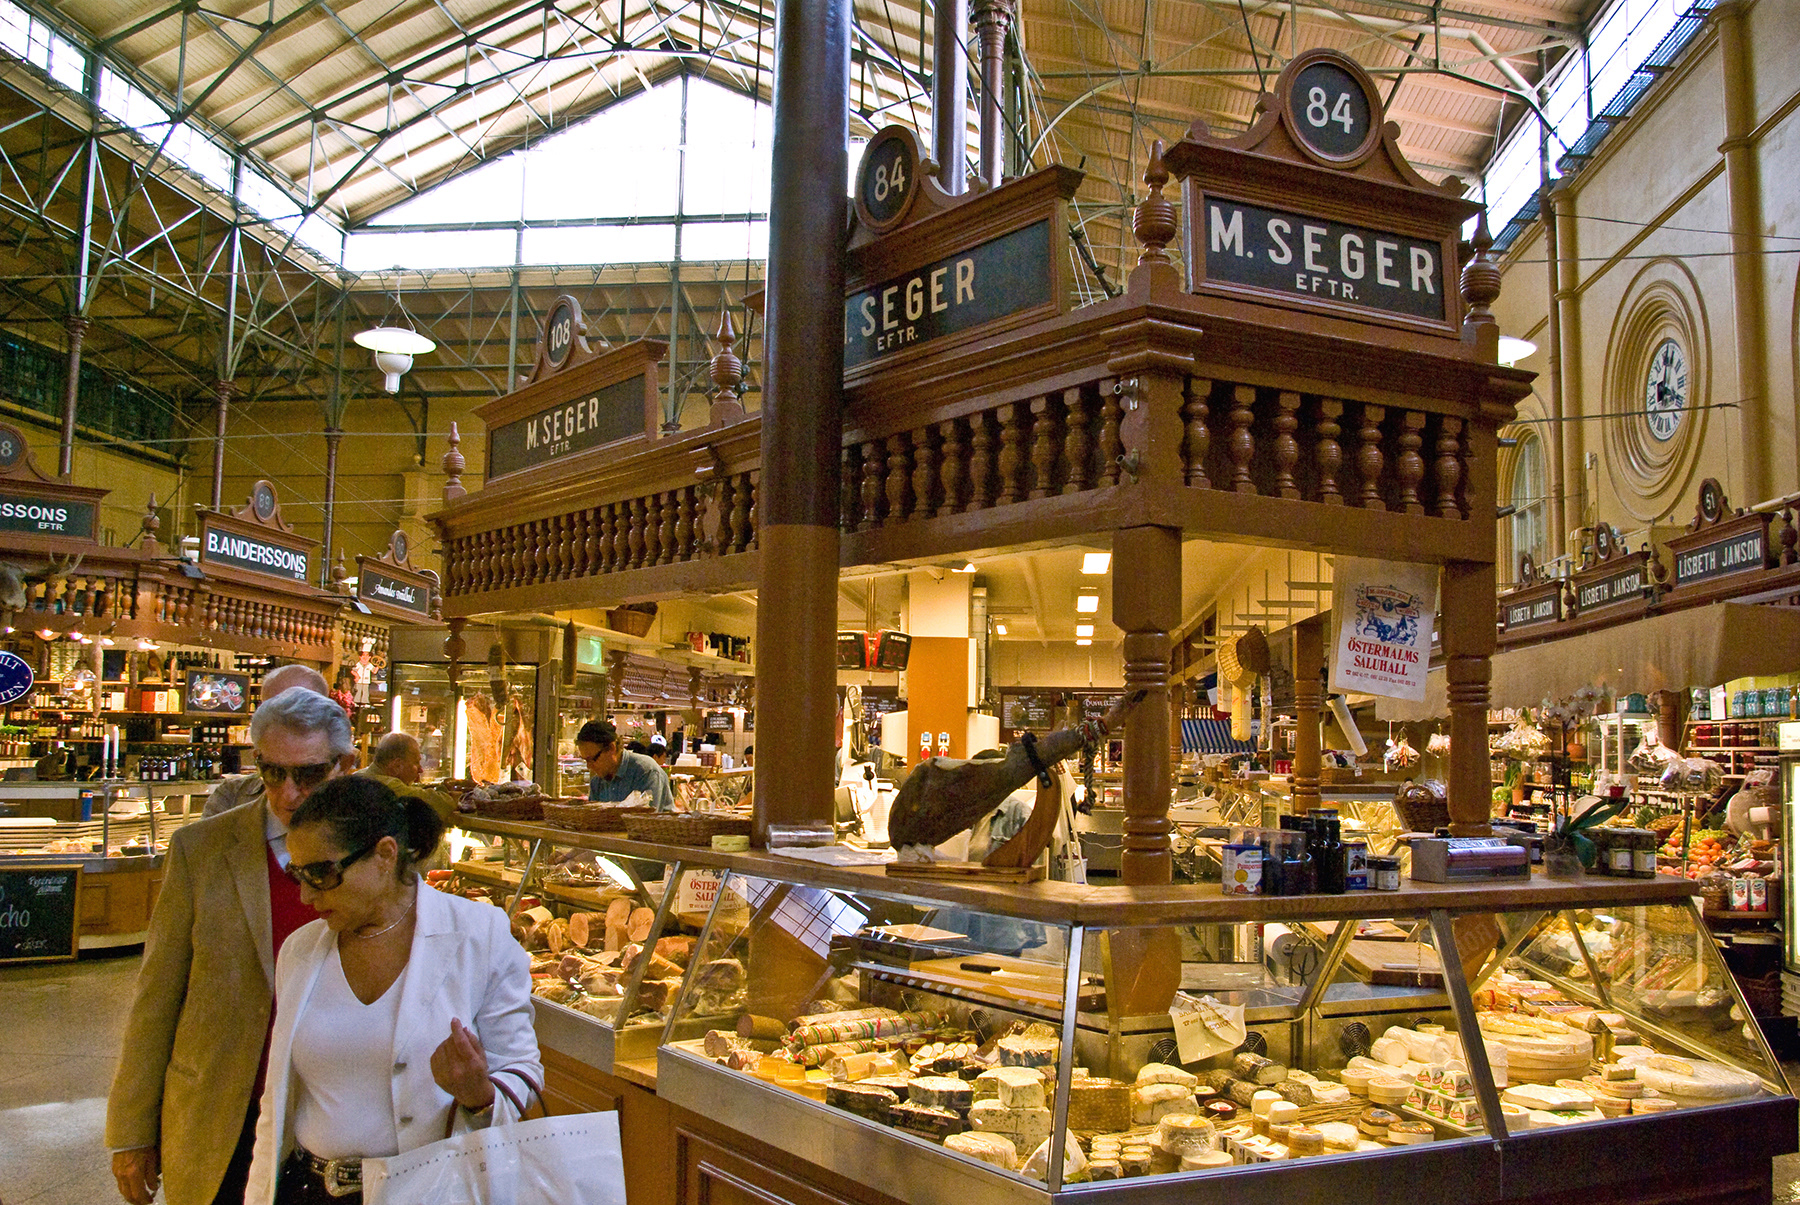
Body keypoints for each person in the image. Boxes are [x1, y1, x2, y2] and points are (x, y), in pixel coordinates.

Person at [107, 689, 358, 1205]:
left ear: (345, 766)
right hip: (221, 1109)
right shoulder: (202, 851)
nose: (289, 793)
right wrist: (131, 1130)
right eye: (272, 773)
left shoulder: (373, 856)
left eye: (308, 775)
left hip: (332, 1117)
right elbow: (157, 995)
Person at [244, 777, 541, 1205]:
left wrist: (480, 1095)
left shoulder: (479, 935)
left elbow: (522, 1070)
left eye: (321, 874)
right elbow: (275, 1106)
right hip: (309, 1190)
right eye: (298, 875)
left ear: (385, 855)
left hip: (432, 1189)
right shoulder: (301, 950)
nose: (307, 895)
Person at [202, 664, 332, 818]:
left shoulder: (352, 803)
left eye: (299, 709)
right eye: (270, 710)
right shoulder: (232, 796)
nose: (282, 720)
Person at [356, 731, 457, 823]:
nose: (421, 770)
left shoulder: (358, 776)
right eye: (416, 762)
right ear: (397, 765)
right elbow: (443, 803)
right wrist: (449, 793)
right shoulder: (390, 786)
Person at [577, 719, 674, 811]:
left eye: (593, 759)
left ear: (611, 748)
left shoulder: (645, 771)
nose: (589, 766)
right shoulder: (597, 782)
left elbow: (646, 820)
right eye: (585, 760)